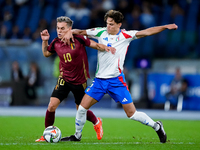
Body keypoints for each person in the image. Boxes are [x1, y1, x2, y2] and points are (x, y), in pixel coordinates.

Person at [61, 10, 178, 143]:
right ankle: (77, 136)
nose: (108, 26)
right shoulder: (100, 32)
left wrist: (164, 27)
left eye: (111, 24)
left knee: (132, 114)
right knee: (82, 108)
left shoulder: (125, 35)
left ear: (119, 24)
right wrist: (69, 31)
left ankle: (157, 126)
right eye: (107, 23)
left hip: (116, 81)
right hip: (99, 81)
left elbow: (147, 31)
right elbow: (81, 32)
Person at [35, 16, 115, 142]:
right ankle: (47, 134)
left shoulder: (79, 39)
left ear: (70, 29)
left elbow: (94, 45)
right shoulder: (56, 42)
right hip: (64, 78)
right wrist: (45, 41)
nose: (59, 31)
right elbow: (46, 53)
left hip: (79, 80)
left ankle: (96, 121)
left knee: (81, 110)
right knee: (51, 106)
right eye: (57, 28)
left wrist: (106, 48)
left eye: (62, 28)